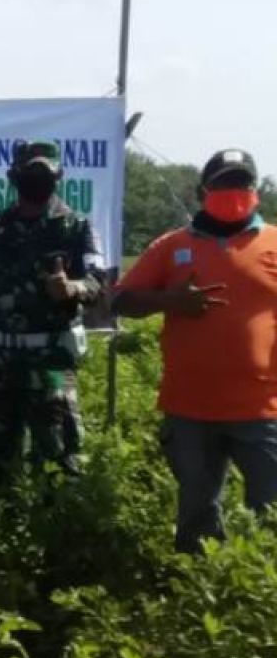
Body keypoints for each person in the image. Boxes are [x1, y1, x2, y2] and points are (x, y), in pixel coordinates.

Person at [115, 149, 277, 553]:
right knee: (196, 515)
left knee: (271, 512)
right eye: (223, 184)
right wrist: (171, 301)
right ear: (202, 190)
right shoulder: (172, 246)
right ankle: (198, 593)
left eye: (241, 184)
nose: (233, 192)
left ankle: (260, 600)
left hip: (262, 410)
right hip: (190, 409)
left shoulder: (274, 242)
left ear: (255, 192)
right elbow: (121, 301)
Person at [0, 140, 105, 487]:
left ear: (58, 176)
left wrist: (73, 288)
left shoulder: (76, 228)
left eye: (45, 174)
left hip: (55, 364)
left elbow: (98, 283)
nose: (37, 181)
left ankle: (55, 536)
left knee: (61, 461)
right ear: (13, 176)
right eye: (30, 173)